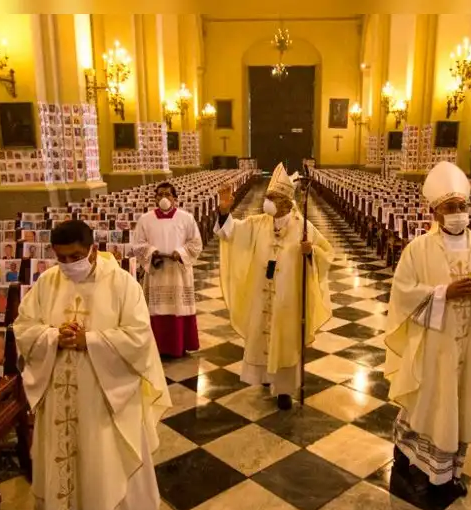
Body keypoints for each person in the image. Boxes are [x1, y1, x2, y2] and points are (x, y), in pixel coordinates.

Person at [14, 219, 172, 510]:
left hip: (102, 394)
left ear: (93, 250)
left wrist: (91, 340)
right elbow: (24, 327)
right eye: (61, 258)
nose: (68, 264)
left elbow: (139, 337)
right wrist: (53, 336)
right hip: (58, 393)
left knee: (102, 459)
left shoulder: (122, 283)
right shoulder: (46, 282)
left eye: (75, 256)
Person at [384, 161, 471, 497]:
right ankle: (406, 459)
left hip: (468, 345)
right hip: (434, 346)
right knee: (425, 404)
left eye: (461, 206)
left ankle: (447, 473)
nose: (457, 213)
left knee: (458, 406)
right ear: (435, 212)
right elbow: (402, 292)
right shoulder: (418, 249)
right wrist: (443, 294)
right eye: (450, 207)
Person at [215, 164, 334, 410]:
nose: (267, 202)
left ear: (287, 203)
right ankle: (266, 377)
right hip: (262, 293)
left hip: (288, 298)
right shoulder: (259, 223)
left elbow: (326, 254)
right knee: (263, 336)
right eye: (268, 197)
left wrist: (310, 252)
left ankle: (284, 390)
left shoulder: (303, 227)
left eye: (273, 198)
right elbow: (231, 233)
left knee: (285, 342)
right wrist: (225, 211)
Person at [132, 182, 204, 358]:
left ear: (175, 198)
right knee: (156, 308)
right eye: (160, 194)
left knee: (178, 306)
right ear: (155, 198)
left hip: (178, 271)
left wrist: (180, 253)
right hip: (157, 270)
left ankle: (180, 345)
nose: (164, 198)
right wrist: (152, 252)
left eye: (168, 194)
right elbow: (138, 244)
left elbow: (196, 243)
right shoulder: (145, 219)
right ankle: (157, 346)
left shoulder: (186, 218)